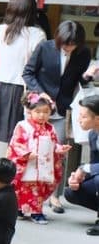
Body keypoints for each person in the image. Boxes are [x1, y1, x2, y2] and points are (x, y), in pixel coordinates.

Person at [22, 20, 94, 214]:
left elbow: (78, 80)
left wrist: (88, 76)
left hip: (61, 109)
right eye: (65, 44)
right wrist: (40, 93)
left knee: (57, 152)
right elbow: (28, 73)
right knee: (30, 151)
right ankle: (24, 193)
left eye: (72, 45)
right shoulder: (45, 47)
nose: (68, 48)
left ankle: (54, 196)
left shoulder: (83, 53)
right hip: (38, 107)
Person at [0, 0, 46, 162]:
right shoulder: (37, 34)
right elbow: (39, 67)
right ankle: (5, 179)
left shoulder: (1, 30)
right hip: (20, 89)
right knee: (15, 138)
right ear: (32, 11)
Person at [7, 92, 71, 224]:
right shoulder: (23, 126)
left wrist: (60, 149)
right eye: (38, 111)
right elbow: (16, 143)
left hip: (43, 165)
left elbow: (53, 145)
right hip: (27, 163)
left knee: (38, 189)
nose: (42, 115)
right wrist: (26, 154)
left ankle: (37, 211)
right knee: (23, 187)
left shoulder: (50, 128)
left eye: (46, 112)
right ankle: (20, 208)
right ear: (30, 111)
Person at [66, 95, 99, 235]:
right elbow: (94, 164)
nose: (79, 120)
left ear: (97, 118)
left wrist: (83, 168)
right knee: (71, 191)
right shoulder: (93, 135)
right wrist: (78, 178)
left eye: (83, 117)